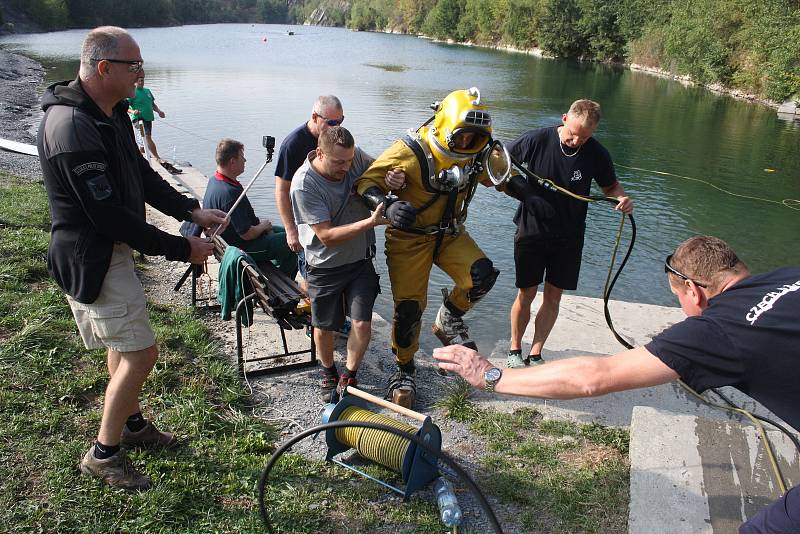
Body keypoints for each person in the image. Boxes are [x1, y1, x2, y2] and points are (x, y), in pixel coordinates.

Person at [434, 235, 800, 533]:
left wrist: (493, 376)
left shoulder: (716, 329)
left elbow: (595, 377)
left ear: (693, 289)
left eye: (680, 300)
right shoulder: (788, 275)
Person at [37, 26, 227, 491]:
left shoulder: (111, 111)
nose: (141, 72)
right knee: (142, 354)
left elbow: (138, 172)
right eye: (134, 65)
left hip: (109, 250)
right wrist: (184, 246)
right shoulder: (72, 129)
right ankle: (104, 453)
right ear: (104, 68)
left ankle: (133, 425)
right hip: (93, 255)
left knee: (124, 348)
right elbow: (109, 219)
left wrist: (189, 209)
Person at [356, 87, 510, 408]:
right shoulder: (409, 152)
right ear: (445, 126)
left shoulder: (478, 154)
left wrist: (537, 194)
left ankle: (449, 318)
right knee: (409, 309)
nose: (467, 144)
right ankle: (404, 367)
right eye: (462, 137)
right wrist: (386, 204)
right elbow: (367, 182)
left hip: (450, 234)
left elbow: (501, 178)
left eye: (474, 138)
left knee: (481, 276)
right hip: (410, 239)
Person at [505, 99, 633, 368]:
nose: (576, 141)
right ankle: (515, 349)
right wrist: (521, 189)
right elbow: (498, 162)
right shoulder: (536, 140)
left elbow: (610, 186)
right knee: (526, 293)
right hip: (532, 231)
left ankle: (537, 352)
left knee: (554, 295)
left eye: (584, 137)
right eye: (574, 133)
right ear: (564, 118)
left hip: (569, 236)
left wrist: (622, 198)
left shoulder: (596, 153)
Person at [290, 126, 390, 402]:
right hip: (324, 265)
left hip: (360, 262)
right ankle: (328, 372)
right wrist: (371, 222)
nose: (347, 168)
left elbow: (381, 170)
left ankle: (349, 374)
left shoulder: (353, 157)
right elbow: (327, 236)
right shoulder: (304, 184)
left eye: (350, 161)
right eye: (339, 162)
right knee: (324, 326)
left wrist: (393, 177)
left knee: (361, 325)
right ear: (320, 153)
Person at [202, 138, 297, 278]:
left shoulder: (215, 180)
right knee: (292, 242)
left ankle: (276, 276)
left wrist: (263, 226)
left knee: (289, 232)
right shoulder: (230, 193)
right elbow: (247, 234)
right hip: (242, 249)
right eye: (242, 157)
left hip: (226, 244)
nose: (245, 161)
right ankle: (283, 292)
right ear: (232, 162)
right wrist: (263, 226)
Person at [127, 74, 180, 174]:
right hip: (138, 119)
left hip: (148, 118)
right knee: (146, 136)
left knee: (145, 138)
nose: (141, 82)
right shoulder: (132, 92)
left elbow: (152, 104)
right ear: (135, 81)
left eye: (142, 80)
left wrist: (159, 111)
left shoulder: (147, 91)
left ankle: (141, 154)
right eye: (139, 80)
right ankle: (157, 157)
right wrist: (133, 112)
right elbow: (126, 107)